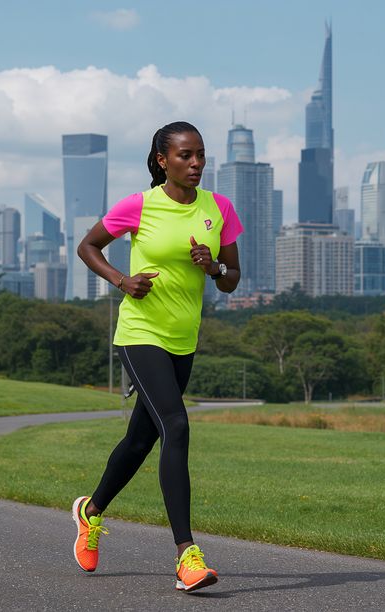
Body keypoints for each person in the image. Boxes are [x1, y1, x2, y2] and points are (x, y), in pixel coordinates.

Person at [71, 121, 243, 592]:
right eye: (185, 156)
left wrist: (213, 267)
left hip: (182, 340)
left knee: (141, 440)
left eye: (201, 155)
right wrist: (122, 281)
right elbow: (87, 246)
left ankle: (90, 512)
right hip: (140, 332)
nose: (196, 164)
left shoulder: (219, 208)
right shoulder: (139, 205)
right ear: (162, 160)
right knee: (178, 425)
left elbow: (233, 278)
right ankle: (187, 555)